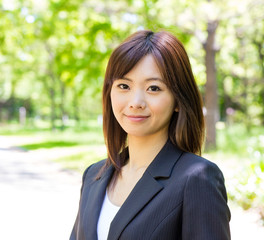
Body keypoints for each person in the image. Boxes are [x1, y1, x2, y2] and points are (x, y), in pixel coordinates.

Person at [70, 30, 231, 240]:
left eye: (154, 88)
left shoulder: (197, 179)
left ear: (178, 100)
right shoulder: (94, 175)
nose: (136, 102)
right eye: (124, 86)